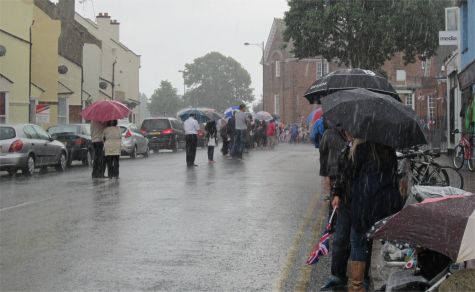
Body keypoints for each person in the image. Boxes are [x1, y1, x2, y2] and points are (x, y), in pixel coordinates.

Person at [332, 138, 403, 292]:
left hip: (366, 202)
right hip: (388, 203)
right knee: (387, 242)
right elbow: (394, 172)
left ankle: (358, 285)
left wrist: (351, 152)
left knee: (359, 241)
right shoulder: (388, 148)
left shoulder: (359, 149)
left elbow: (348, 174)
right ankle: (393, 282)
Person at [319, 125, 351, 290]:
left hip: (352, 188)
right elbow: (323, 154)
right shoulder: (329, 134)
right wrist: (325, 175)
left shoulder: (357, 139)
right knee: (339, 238)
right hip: (335, 174)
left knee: (355, 239)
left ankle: (358, 278)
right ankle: (338, 275)